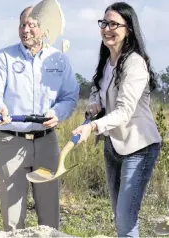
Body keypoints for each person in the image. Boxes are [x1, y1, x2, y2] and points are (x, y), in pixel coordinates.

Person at [0, 6, 79, 231]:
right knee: (13, 216)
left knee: (50, 214)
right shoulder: (2, 58)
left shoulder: (59, 60)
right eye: (22, 25)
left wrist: (58, 113)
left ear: (44, 28)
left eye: (31, 25)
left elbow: (70, 95)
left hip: (47, 142)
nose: (26, 30)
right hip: (10, 141)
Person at [71, 2, 162, 237]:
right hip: (113, 145)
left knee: (125, 218)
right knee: (119, 214)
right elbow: (97, 88)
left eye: (114, 24)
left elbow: (124, 111)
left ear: (128, 29)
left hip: (139, 147)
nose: (107, 28)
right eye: (104, 23)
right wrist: (93, 104)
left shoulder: (135, 64)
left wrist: (92, 126)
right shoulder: (107, 61)